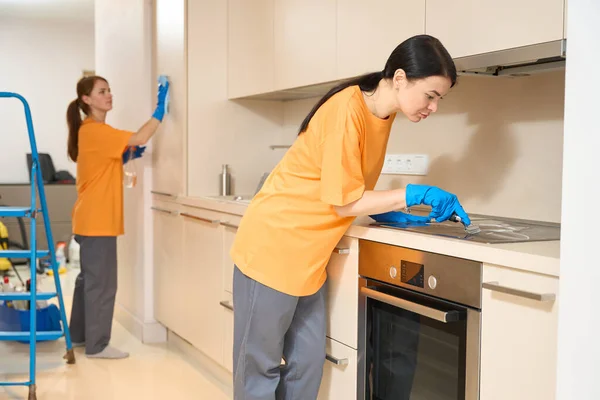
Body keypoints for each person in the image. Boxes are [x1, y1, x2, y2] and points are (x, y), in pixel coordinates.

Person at [230, 34, 471, 399]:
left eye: (440, 99)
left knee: (305, 367)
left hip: (309, 256)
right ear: (401, 78)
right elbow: (343, 201)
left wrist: (388, 211)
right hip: (274, 246)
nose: (434, 107)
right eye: (432, 96)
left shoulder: (383, 115)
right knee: (259, 369)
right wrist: (410, 193)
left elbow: (346, 185)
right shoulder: (348, 109)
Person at [66, 75, 169, 359]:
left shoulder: (93, 131)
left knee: (88, 281)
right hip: (98, 220)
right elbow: (141, 136)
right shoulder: (95, 130)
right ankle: (97, 346)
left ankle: (78, 336)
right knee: (103, 284)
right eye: (102, 92)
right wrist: (160, 110)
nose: (109, 95)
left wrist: (123, 158)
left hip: (89, 217)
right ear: (86, 100)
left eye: (110, 90)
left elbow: (101, 165)